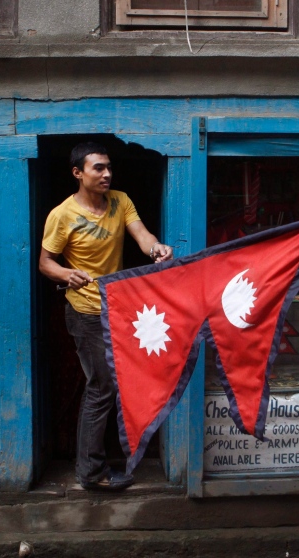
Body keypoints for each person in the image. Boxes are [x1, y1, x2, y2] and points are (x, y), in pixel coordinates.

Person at [39, 142, 173, 491]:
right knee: (101, 387)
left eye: (109, 167)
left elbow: (141, 235)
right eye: (98, 168)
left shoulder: (120, 200)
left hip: (117, 308)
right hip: (84, 312)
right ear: (78, 173)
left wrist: (156, 247)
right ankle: (90, 472)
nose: (107, 174)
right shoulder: (62, 215)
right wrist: (67, 274)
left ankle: (100, 463)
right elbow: (45, 263)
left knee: (118, 383)